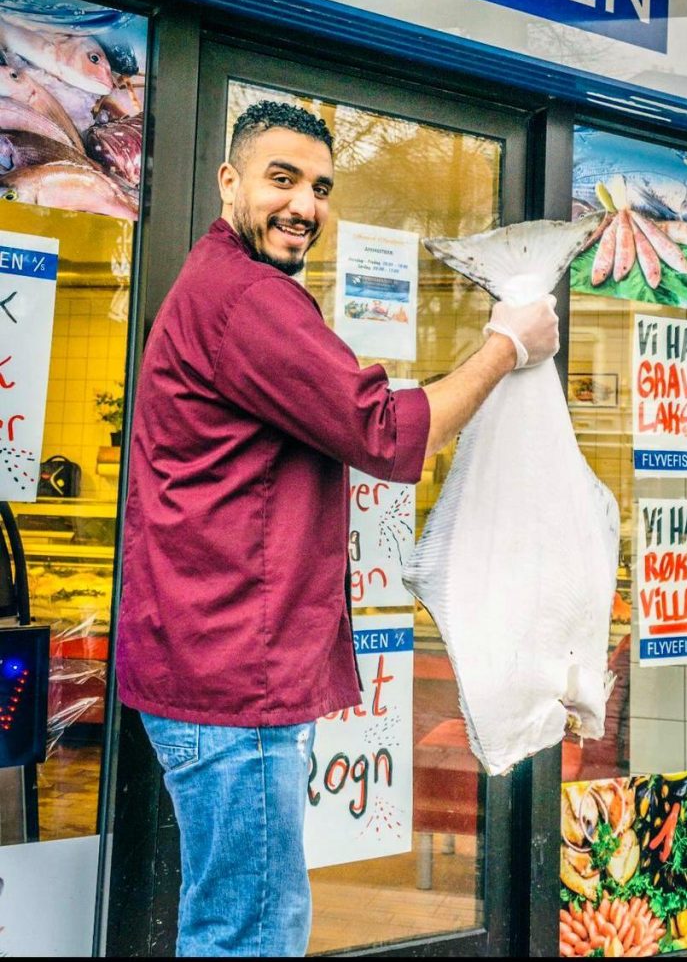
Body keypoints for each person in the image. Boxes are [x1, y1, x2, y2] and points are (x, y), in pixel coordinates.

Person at [115, 99, 560, 958]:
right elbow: (385, 432)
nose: (304, 205)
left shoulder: (227, 290)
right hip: (233, 682)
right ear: (229, 181)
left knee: (242, 919)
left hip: (216, 673)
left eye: (320, 187)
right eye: (281, 179)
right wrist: (506, 343)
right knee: (251, 933)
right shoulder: (247, 298)